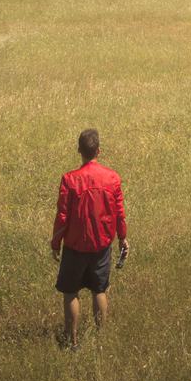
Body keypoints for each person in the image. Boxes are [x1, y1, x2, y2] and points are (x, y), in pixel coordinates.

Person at [50, 127, 129, 350]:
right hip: (101, 245)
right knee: (99, 290)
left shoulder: (69, 180)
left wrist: (56, 243)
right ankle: (100, 339)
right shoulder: (112, 178)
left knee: (70, 293)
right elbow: (119, 213)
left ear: (79, 150)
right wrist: (122, 238)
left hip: (75, 246)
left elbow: (62, 217)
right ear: (99, 151)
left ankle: (72, 341)